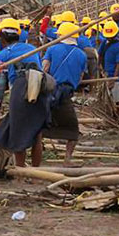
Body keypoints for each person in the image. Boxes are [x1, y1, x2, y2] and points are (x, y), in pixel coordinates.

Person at [0, 18, 48, 167]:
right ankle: (35, 172)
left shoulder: (3, 55)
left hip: (20, 92)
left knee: (18, 132)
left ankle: (21, 172)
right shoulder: (31, 49)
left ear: (2, 38)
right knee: (36, 134)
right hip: (39, 91)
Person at [42, 22, 87, 161]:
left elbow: (44, 70)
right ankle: (67, 158)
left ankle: (35, 155)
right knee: (72, 130)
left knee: (38, 126)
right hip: (66, 94)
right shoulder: (82, 55)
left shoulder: (51, 49)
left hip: (48, 93)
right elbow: (80, 77)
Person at [100, 20, 119, 120]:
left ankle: (118, 118)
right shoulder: (104, 43)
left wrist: (114, 79)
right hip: (106, 74)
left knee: (118, 100)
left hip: (117, 77)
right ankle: (109, 117)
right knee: (106, 99)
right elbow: (101, 55)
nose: (109, 38)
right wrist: (100, 67)